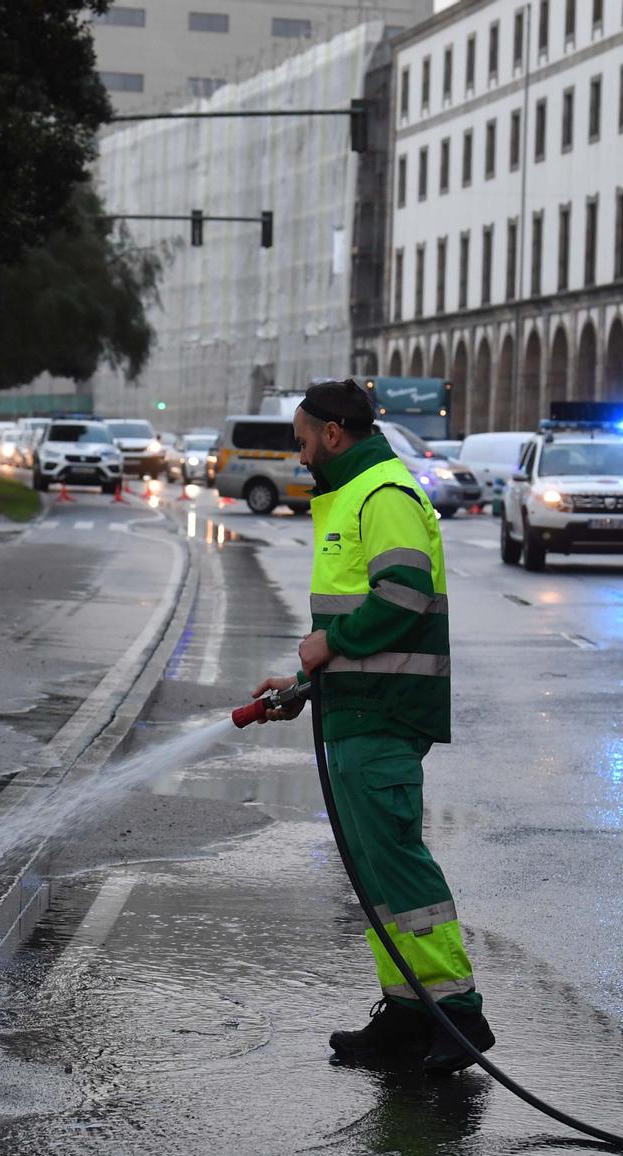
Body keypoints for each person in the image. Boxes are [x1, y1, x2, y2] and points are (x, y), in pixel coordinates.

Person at [252, 379, 496, 1076]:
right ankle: (408, 1010)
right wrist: (302, 686)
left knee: (396, 862)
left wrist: (328, 647)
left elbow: (403, 593)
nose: (299, 458)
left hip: (385, 712)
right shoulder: (355, 495)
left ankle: (460, 1011)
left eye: (302, 441)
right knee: (373, 874)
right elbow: (360, 611)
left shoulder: (383, 494)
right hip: (356, 709)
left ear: (333, 432)